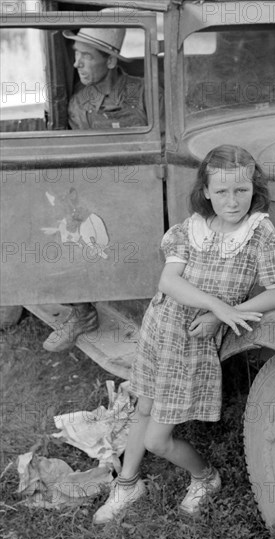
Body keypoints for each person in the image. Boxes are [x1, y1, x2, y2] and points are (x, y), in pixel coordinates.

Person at [92, 144, 275, 525]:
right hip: (161, 328)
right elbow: (169, 281)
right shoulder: (191, 228)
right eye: (221, 191)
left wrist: (222, 317)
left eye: (241, 190)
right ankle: (128, 482)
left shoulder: (260, 234)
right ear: (205, 190)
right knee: (144, 407)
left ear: (255, 188)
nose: (232, 201)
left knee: (157, 439)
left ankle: (206, 477)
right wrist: (219, 306)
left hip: (193, 344)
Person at [43, 26, 152, 352]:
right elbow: (83, 162)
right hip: (103, 192)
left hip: (146, 189)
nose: (77, 64)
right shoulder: (80, 103)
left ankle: (155, 325)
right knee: (59, 227)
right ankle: (82, 311)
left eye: (87, 56)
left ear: (110, 60)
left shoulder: (144, 91)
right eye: (75, 56)